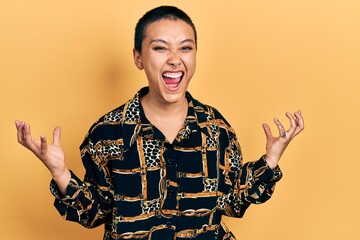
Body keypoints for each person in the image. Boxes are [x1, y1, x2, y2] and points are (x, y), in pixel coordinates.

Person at [15, 5, 304, 240]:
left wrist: (269, 162)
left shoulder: (216, 128)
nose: (175, 59)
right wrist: (60, 172)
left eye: (185, 48)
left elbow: (232, 203)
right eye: (161, 48)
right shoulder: (108, 132)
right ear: (138, 58)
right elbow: (95, 213)